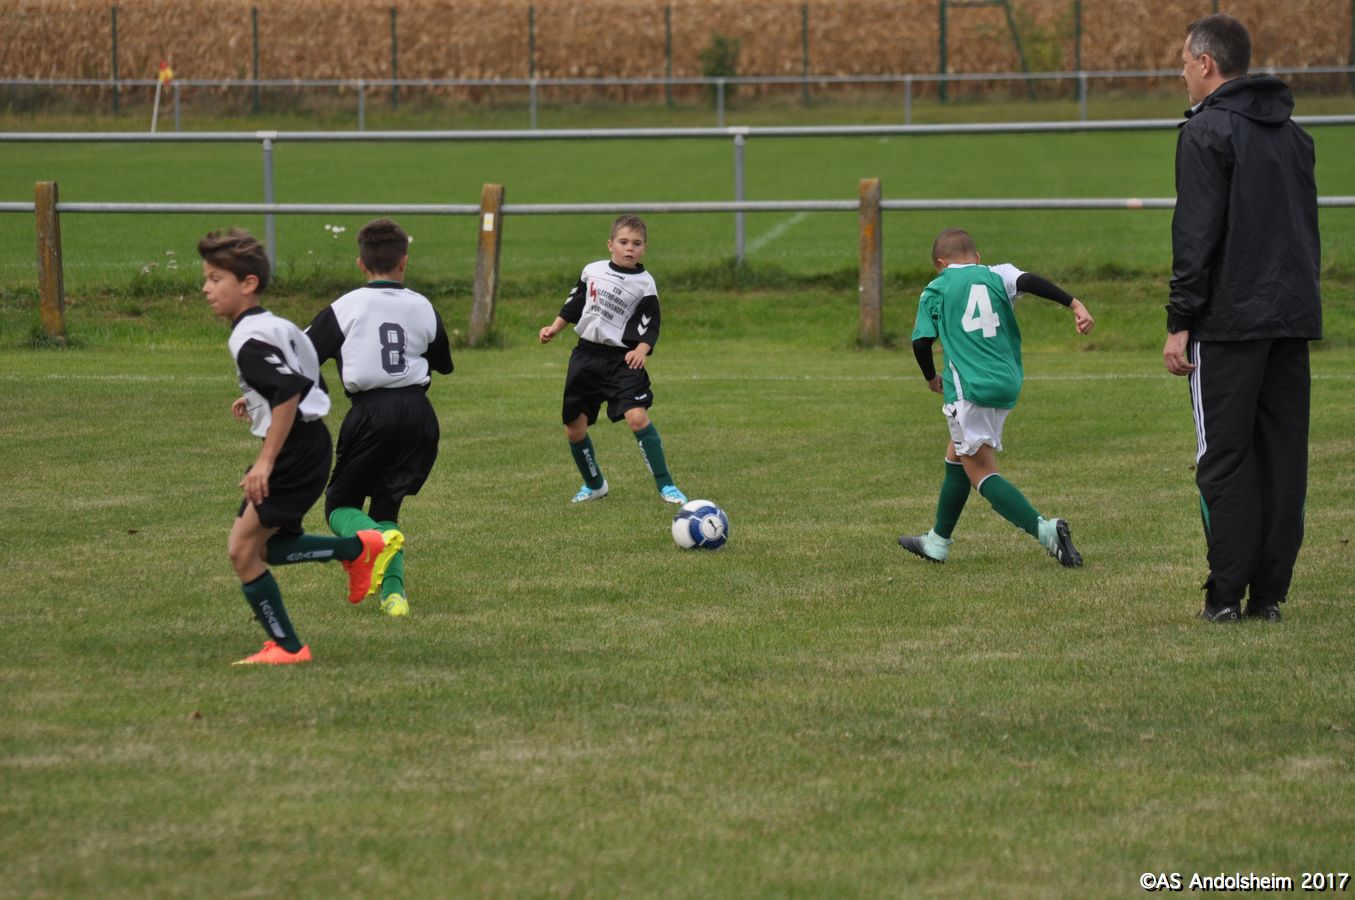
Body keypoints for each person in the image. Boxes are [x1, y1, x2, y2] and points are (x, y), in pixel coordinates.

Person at [1164, 15, 1322, 623]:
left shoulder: (1205, 132)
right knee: (1284, 459)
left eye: (1185, 62)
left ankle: (1225, 597)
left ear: (1207, 63)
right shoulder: (1295, 136)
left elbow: (1196, 234)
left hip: (1228, 324)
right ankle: (1269, 598)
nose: (1181, 72)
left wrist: (1181, 319)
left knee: (1224, 459)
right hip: (1290, 319)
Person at [200, 228, 394, 665]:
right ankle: (355, 550)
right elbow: (300, 375)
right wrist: (256, 396)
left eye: (215, 279)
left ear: (248, 283)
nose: (206, 289)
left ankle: (288, 647)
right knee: (264, 549)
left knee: (241, 552)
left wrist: (265, 463)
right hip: (308, 443)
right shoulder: (276, 324)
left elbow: (288, 391)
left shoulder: (246, 337)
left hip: (292, 450)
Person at [898, 228, 1094, 568]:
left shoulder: (936, 288)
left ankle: (1046, 530)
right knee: (957, 454)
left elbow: (921, 342)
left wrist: (931, 378)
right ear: (976, 257)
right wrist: (1074, 304)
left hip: (970, 388)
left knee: (981, 472)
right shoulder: (997, 273)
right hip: (1006, 383)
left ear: (940, 264)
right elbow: (1031, 281)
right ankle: (937, 541)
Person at [305, 218, 453, 618]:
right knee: (387, 506)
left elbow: (302, 354)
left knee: (339, 505)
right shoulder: (423, 306)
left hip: (372, 412)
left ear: (361, 264)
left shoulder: (346, 306)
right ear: (404, 262)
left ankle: (376, 540)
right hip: (419, 415)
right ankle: (394, 596)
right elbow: (443, 363)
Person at [538, 214, 687, 505]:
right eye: (623, 242)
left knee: (637, 418)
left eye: (637, 243)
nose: (629, 248)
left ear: (644, 249)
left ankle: (666, 485)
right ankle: (595, 485)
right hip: (586, 357)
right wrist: (554, 328)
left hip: (622, 361)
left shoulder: (645, 284)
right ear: (610, 245)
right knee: (574, 429)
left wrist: (641, 350)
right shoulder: (592, 271)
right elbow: (574, 304)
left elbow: (651, 325)